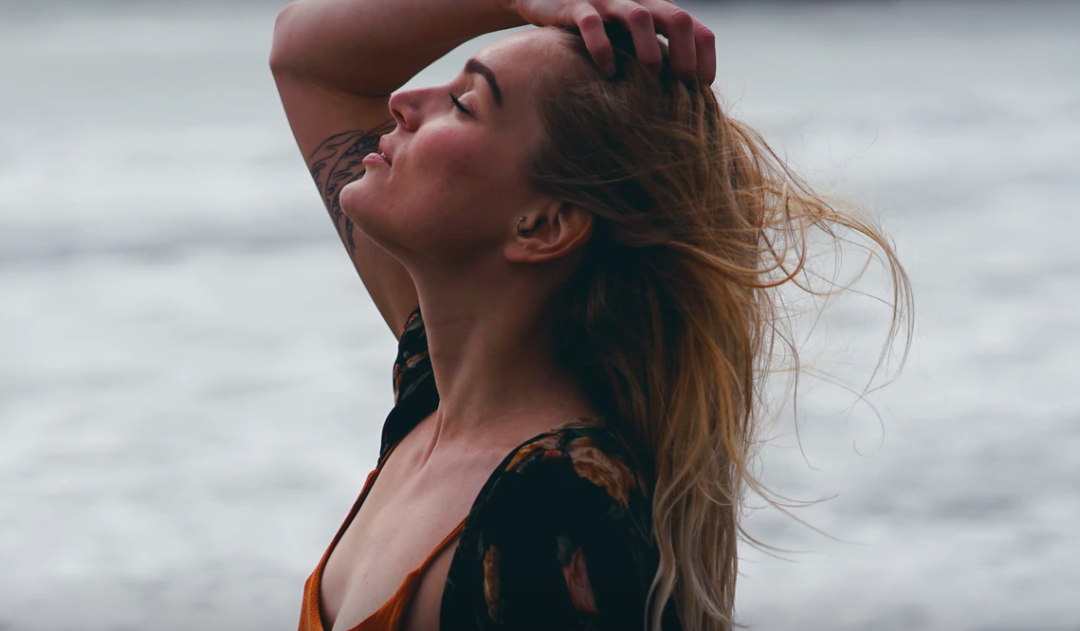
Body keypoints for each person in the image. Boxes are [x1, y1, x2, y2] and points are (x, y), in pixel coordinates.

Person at [269, 0, 913, 629]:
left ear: (543, 225)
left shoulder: (558, 506)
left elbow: (311, 63)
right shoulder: (430, 394)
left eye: (464, 103)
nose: (405, 102)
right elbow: (305, 56)